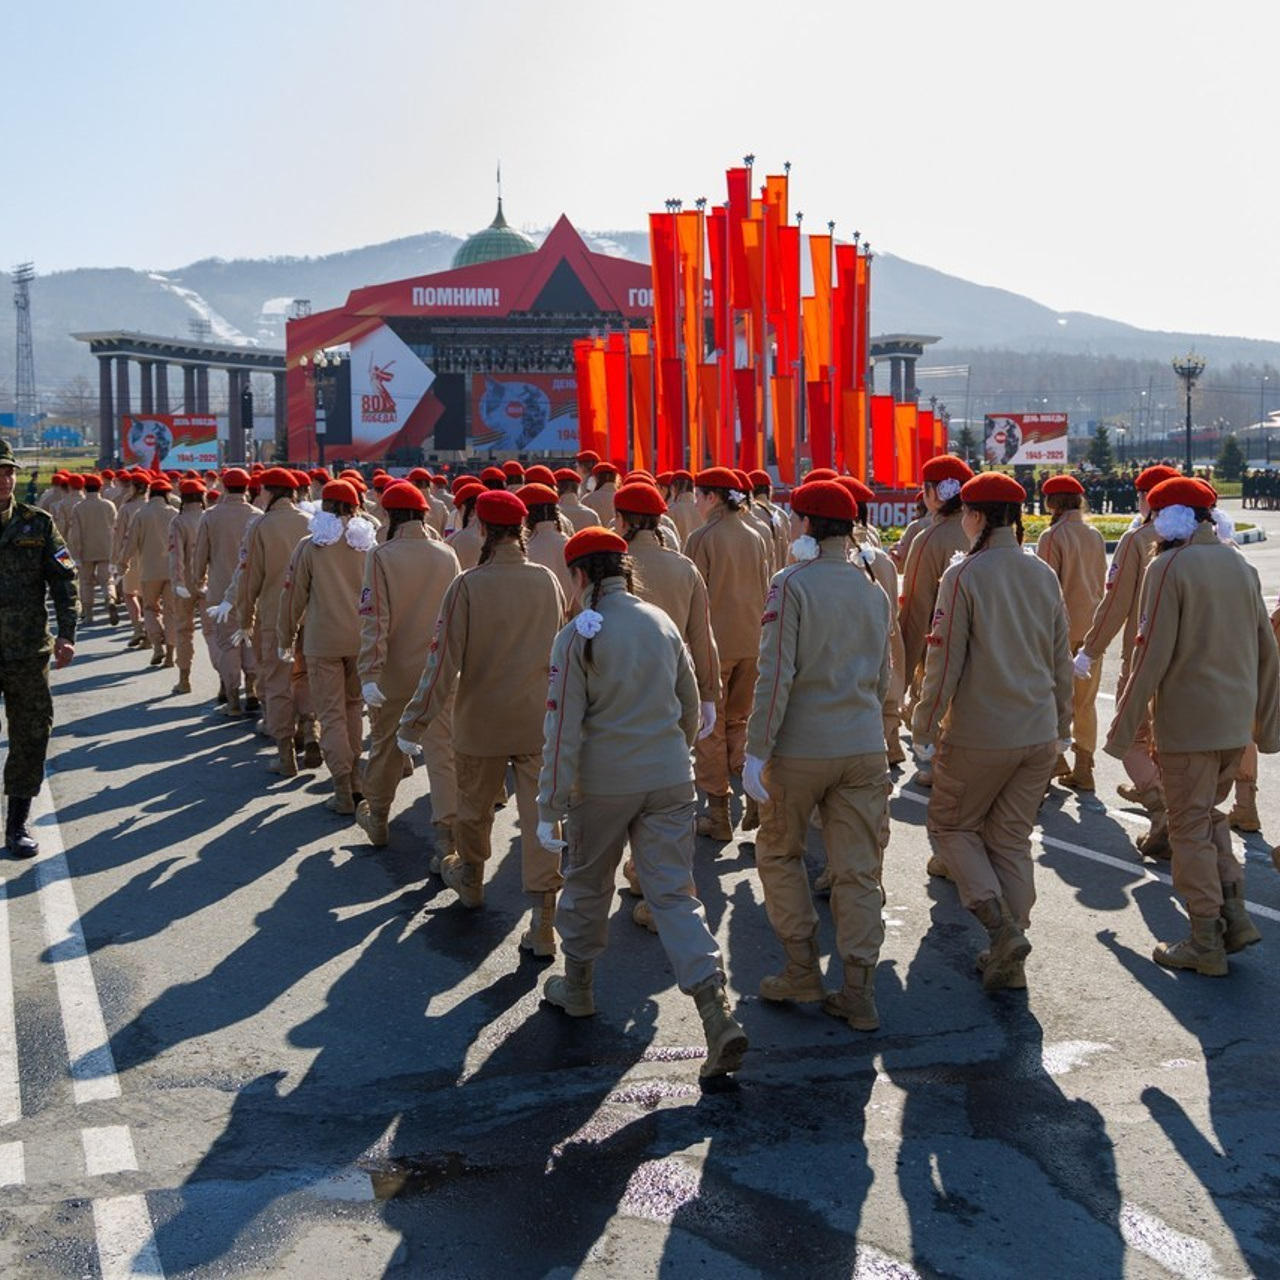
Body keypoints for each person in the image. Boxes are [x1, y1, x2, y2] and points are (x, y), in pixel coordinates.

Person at [537, 527, 748, 1080]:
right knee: (675, 896)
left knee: (587, 884)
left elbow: (562, 731)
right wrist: (671, 753)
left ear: (579, 575)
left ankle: (578, 987)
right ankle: (715, 1012)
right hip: (670, 778)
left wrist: (548, 803)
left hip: (603, 784)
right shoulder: (660, 621)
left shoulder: (576, 635)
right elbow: (689, 708)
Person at [1104, 477, 1280, 976]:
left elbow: (1150, 654)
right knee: (1206, 817)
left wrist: (1122, 731)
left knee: (1187, 828)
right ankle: (1235, 914)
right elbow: (1267, 652)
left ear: (1168, 519)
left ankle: (1205, 938)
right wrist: (1268, 726)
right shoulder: (1239, 565)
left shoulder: (1167, 567)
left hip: (1188, 727)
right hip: (1233, 726)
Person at [741, 480, 893, 1031]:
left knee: (780, 853)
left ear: (805, 525)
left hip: (802, 749)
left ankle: (802, 969)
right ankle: (859, 992)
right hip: (863, 745)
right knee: (858, 873)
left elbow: (775, 675)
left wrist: (756, 750)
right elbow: (883, 675)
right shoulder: (873, 588)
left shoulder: (790, 583)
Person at [912, 472, 1073, 991]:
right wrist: (1063, 725)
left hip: (979, 734)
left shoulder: (964, 575)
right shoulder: (1042, 572)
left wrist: (924, 724)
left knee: (952, 828)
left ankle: (1002, 930)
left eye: (965, 512)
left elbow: (944, 662)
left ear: (976, 516)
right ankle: (1012, 953)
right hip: (1038, 731)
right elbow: (1061, 659)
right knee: (1011, 839)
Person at [398, 490, 567, 955]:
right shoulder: (547, 581)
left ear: (484, 530)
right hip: (537, 719)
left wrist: (414, 722)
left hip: (481, 720)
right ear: (522, 531)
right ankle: (544, 920)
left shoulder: (468, 585)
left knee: (474, 811)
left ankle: (471, 879)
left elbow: (442, 663)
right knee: (543, 818)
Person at [1075, 464, 1178, 852]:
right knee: (1169, 740)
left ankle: (1159, 805)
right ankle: (1166, 803)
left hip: (1142, 655)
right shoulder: (1211, 539)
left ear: (1148, 498)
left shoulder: (1137, 539)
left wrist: (1090, 650)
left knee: (1130, 735)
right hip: (1192, 664)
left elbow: (1116, 603)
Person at [355, 481, 461, 853]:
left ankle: (378, 815)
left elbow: (375, 619)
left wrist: (369, 671)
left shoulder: (381, 556)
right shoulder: (447, 554)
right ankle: (447, 836)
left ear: (389, 515)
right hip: (439, 670)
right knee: (442, 751)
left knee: (386, 745)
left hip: (395, 672)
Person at [277, 479, 378, 808]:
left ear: (326, 506)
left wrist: (285, 636)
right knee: (353, 708)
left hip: (322, 641)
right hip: (361, 640)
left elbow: (293, 597)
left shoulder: (311, 545)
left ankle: (342, 786)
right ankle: (356, 778)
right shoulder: (369, 543)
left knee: (331, 713)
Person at [683, 466, 771, 839]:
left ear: (712, 497)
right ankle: (756, 797)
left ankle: (719, 815)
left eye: (698, 496)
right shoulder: (757, 535)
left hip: (714, 648)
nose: (696, 504)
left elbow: (693, 600)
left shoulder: (701, 538)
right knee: (740, 722)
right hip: (753, 643)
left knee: (709, 730)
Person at [0, 439, 78, 858]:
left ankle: (17, 825)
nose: (5, 479)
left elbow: (64, 580)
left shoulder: (38, 524)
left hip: (27, 650)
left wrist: (67, 633)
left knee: (31, 734)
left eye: (8, 472)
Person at [899, 455, 975, 783]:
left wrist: (900, 675)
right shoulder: (984, 529)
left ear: (934, 492)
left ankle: (947, 771)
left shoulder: (930, 537)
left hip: (942, 643)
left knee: (939, 708)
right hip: (990, 642)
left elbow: (916, 609)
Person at [1036, 474, 1106, 790]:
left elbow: (1045, 589)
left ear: (1052, 502)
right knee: (1085, 703)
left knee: (1052, 698)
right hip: (1092, 629)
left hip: (1060, 631)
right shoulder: (1094, 534)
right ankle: (1084, 767)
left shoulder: (1052, 536)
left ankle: (1055, 759)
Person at [194, 468, 260, 717]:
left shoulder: (211, 516)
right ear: (247, 488)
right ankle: (252, 690)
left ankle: (232, 699)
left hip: (221, 590)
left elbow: (200, 554)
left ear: (223, 487)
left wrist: (198, 580)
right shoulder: (257, 516)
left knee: (227, 645)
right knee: (250, 639)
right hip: (252, 589)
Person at [121, 477, 177, 669]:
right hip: (172, 570)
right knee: (171, 612)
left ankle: (157, 645)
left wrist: (123, 562)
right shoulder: (174, 513)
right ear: (167, 494)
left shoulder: (141, 514)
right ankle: (170, 657)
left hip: (149, 570)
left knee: (150, 609)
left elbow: (131, 542)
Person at [166, 478, 207, 695]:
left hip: (186, 584)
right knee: (215, 635)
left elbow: (176, 556)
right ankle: (227, 684)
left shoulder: (178, 522)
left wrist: (178, 582)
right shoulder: (210, 517)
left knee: (184, 631)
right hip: (210, 583)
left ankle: (184, 679)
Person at [66, 473, 118, 627]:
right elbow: (116, 528)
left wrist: (76, 554)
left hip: (86, 551)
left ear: (84, 488)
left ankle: (88, 614)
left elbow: (75, 534)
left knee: (86, 582)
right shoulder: (109, 505)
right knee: (107, 579)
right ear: (100, 487)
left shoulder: (79, 508)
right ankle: (110, 599)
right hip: (106, 548)